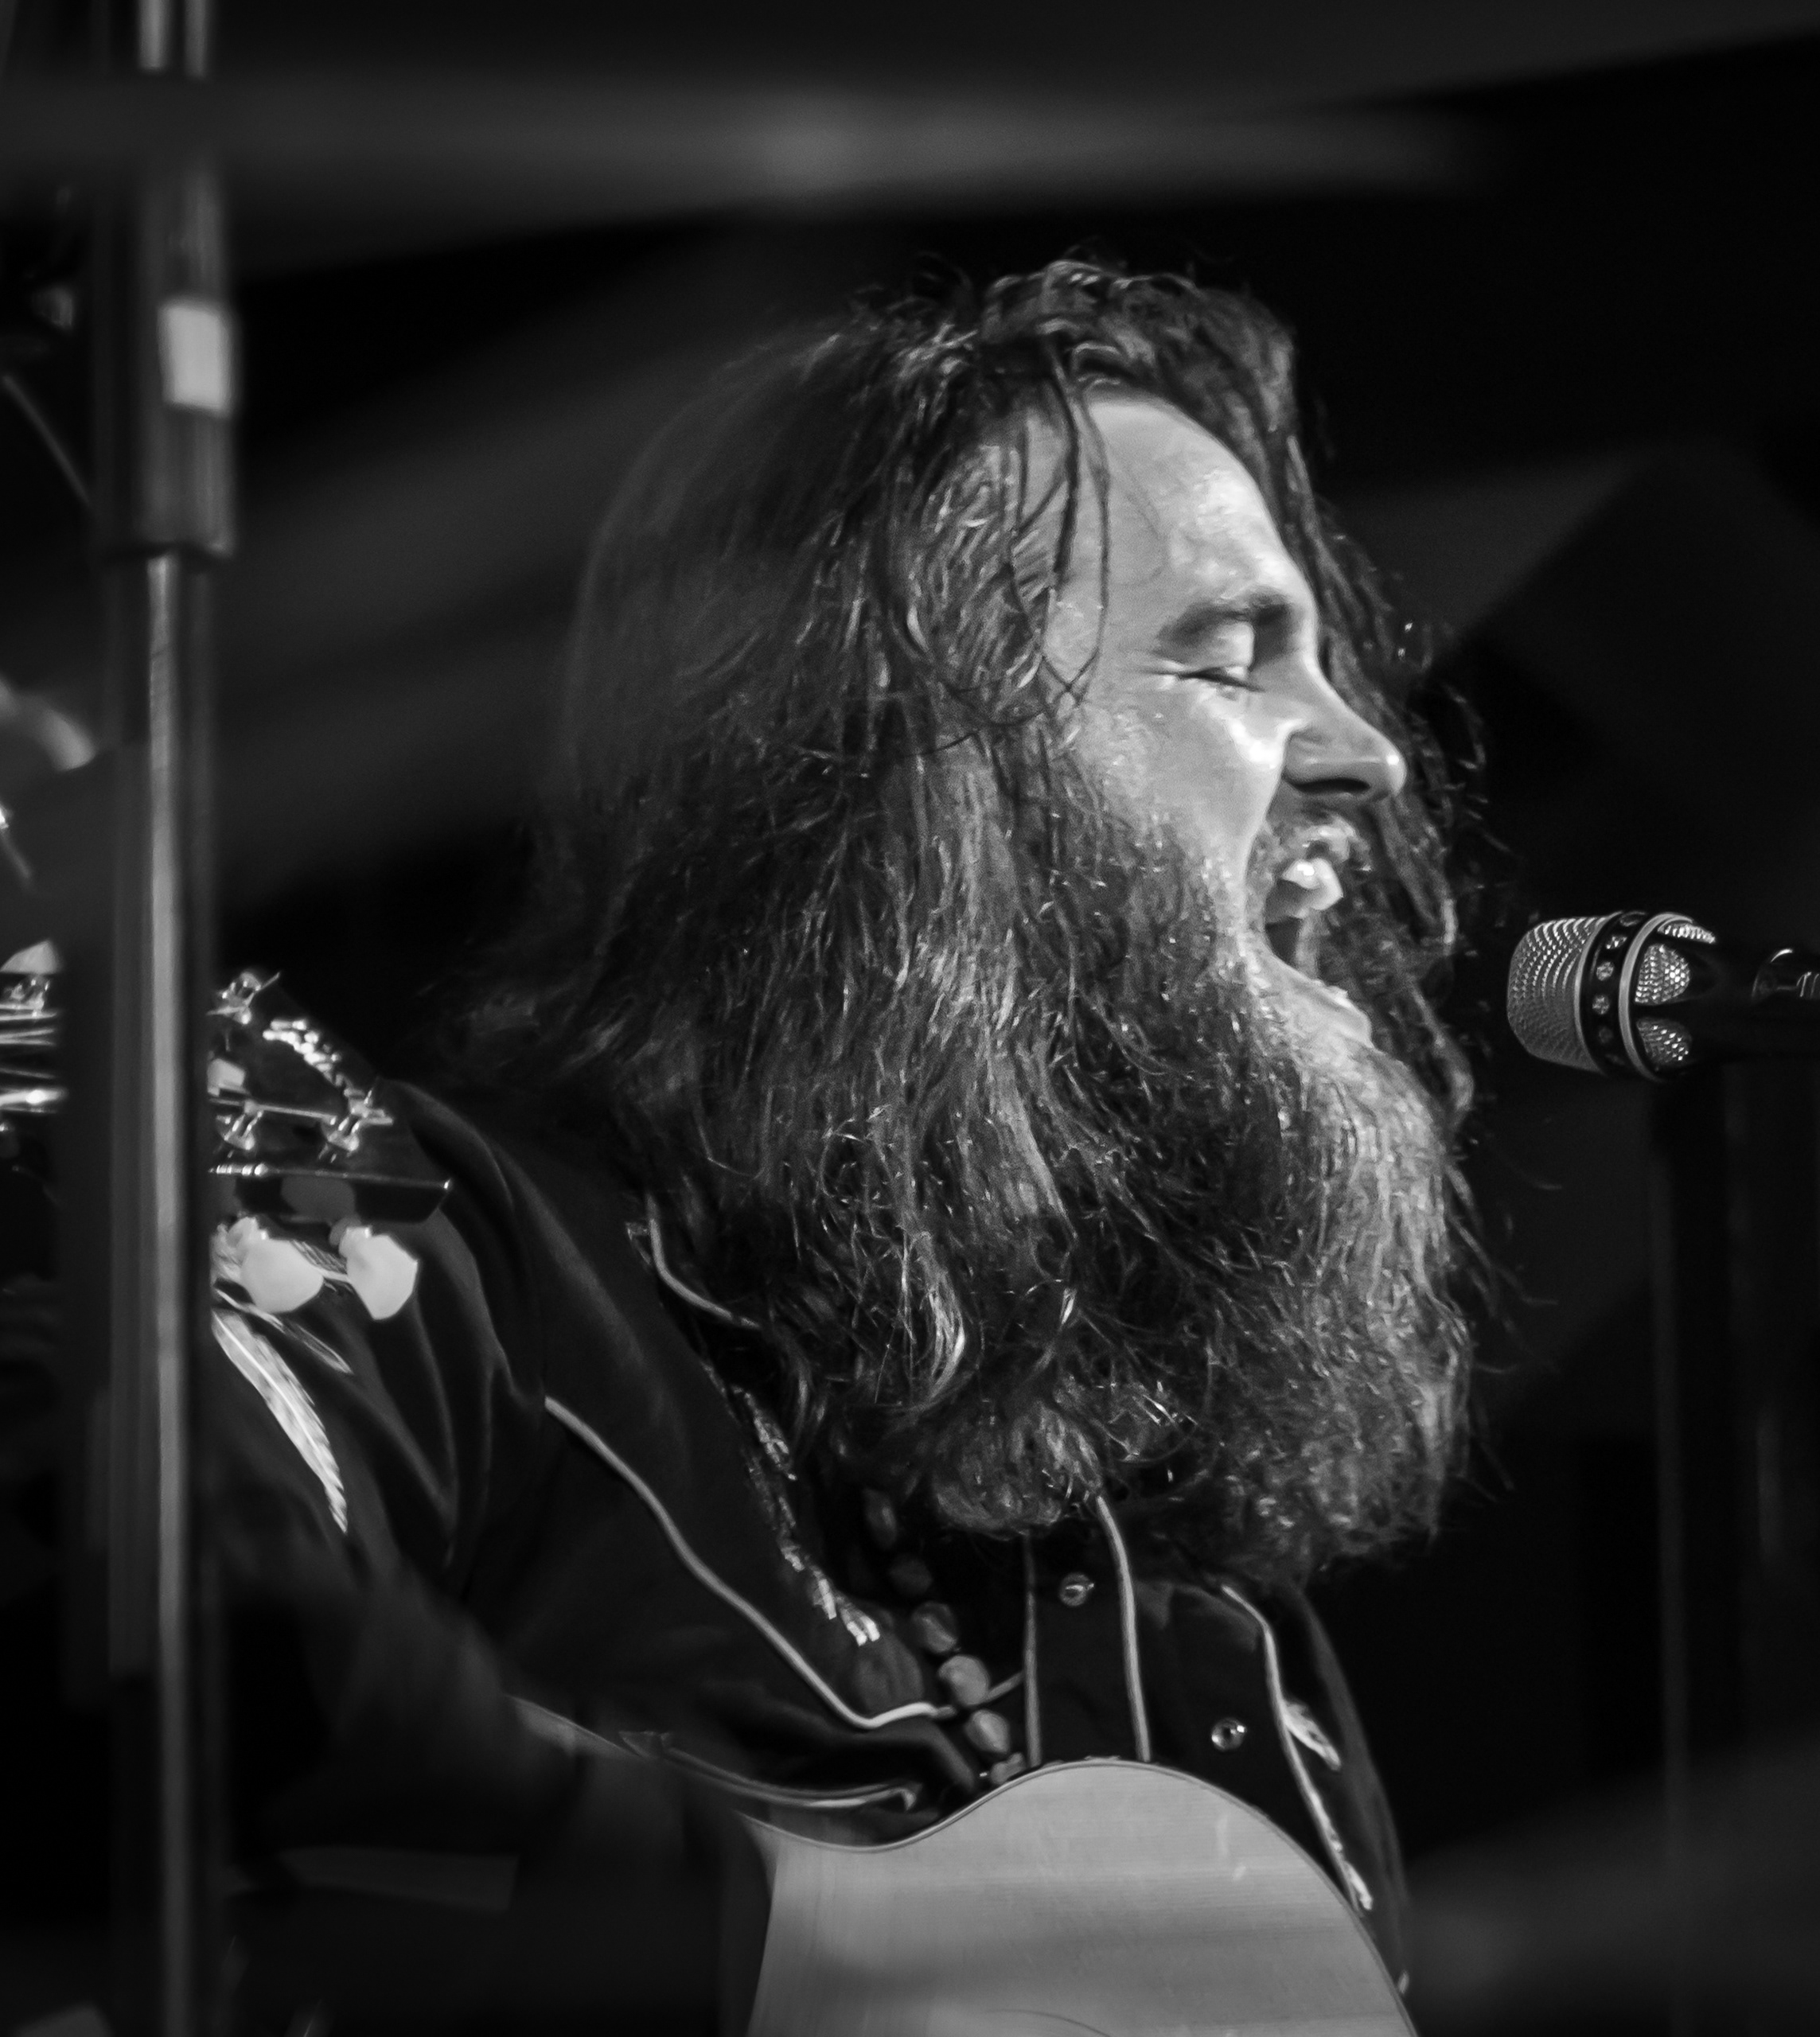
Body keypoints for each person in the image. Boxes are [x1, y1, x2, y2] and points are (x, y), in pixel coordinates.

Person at [198, 259, 1485, 2031]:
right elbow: (115, 1597)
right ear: (911, 775)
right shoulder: (432, 1241)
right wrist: (808, 1944)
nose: (1369, 755)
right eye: (1231, 656)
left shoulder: (1220, 1639)